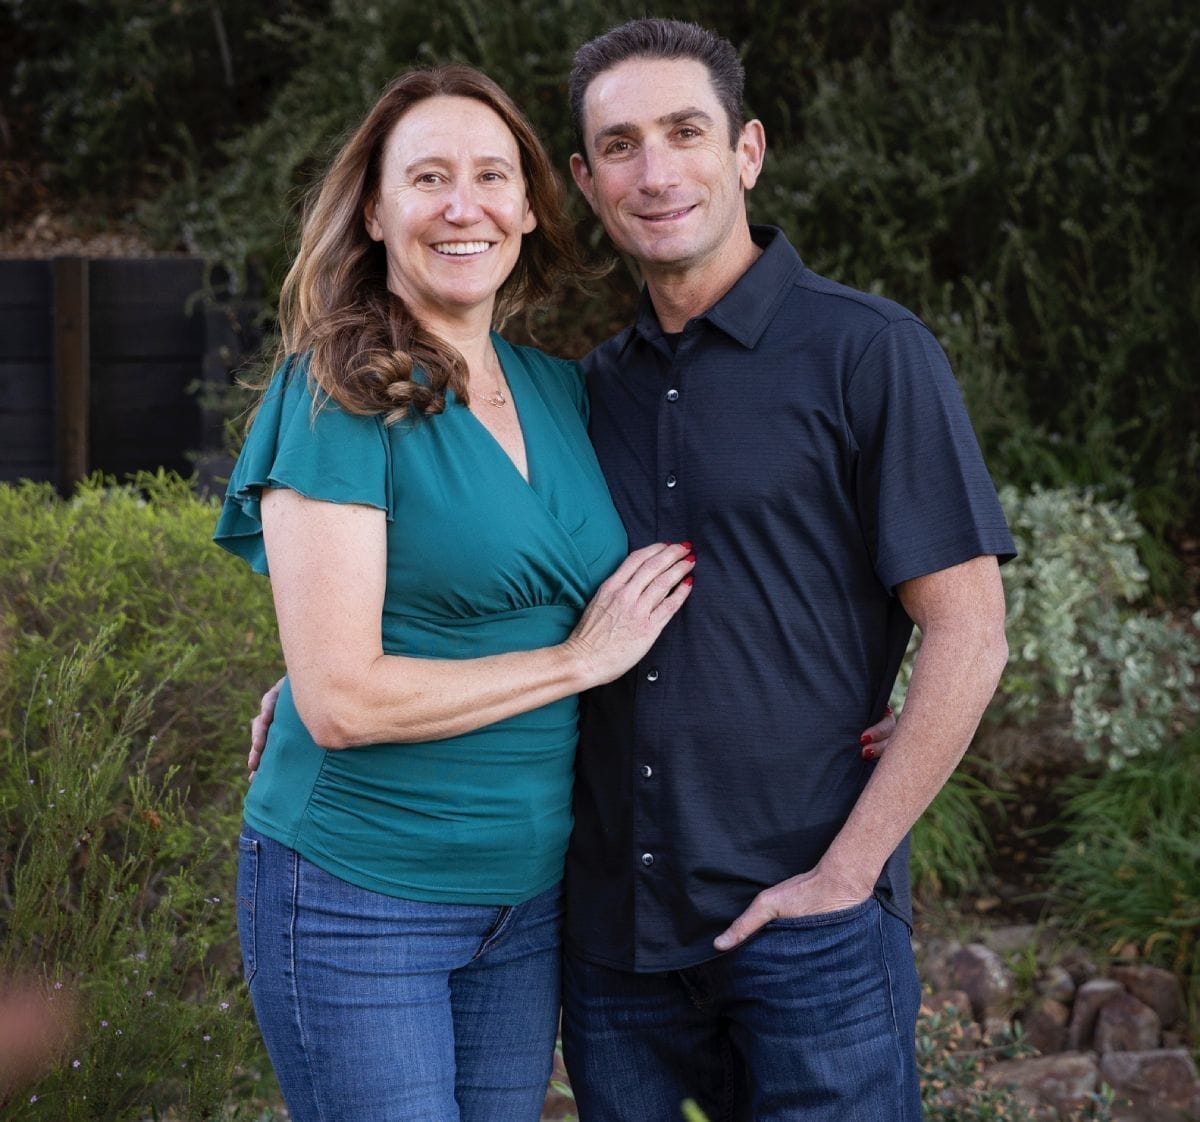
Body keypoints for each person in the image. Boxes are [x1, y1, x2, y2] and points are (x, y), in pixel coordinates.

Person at [212, 64, 702, 1122]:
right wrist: (576, 662)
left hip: (526, 903)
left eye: (490, 176)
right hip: (358, 894)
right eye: (427, 177)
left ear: (528, 207)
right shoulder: (334, 396)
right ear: (375, 212)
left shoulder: (562, 389)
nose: (462, 205)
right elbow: (343, 702)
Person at [552, 18, 1016, 1122]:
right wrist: (330, 675)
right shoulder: (582, 393)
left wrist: (847, 877)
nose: (655, 172)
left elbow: (970, 629)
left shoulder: (869, 351)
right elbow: (497, 583)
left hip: (811, 928)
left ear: (747, 151)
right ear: (584, 179)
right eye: (620, 146)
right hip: (618, 945)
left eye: (685, 132)